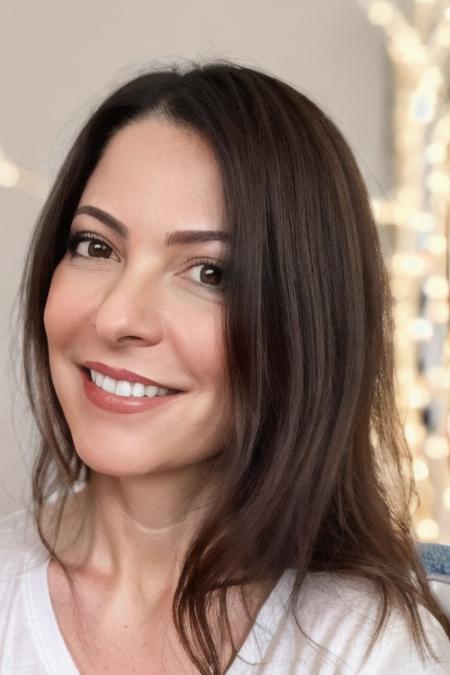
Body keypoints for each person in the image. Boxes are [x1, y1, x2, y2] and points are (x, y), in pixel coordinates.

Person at [0, 60, 449, 675]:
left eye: (210, 272)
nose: (117, 318)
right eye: (96, 246)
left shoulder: (376, 647)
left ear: (305, 325)